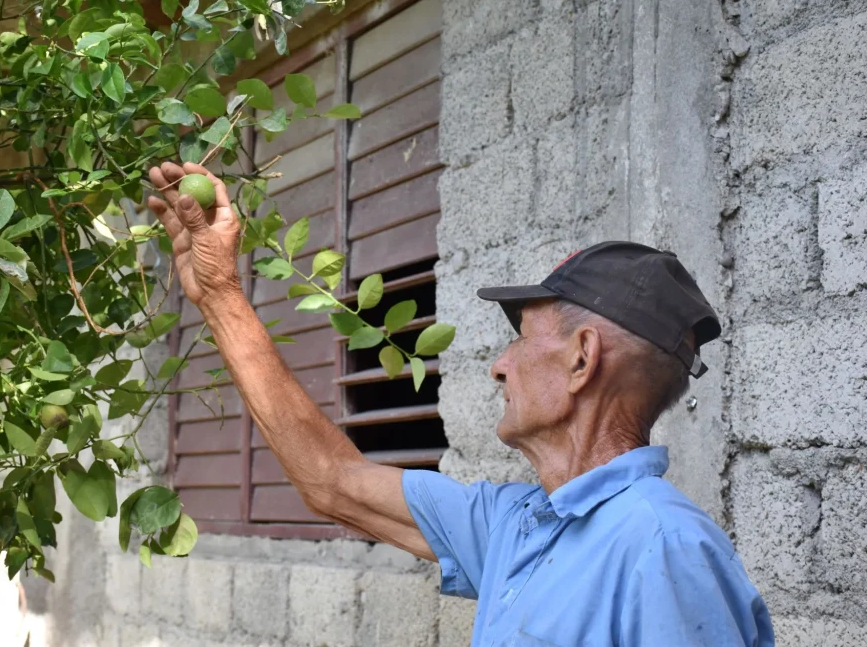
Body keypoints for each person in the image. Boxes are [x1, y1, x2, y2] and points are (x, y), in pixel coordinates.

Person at [146, 161, 776, 647]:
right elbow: (331, 481)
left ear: (583, 359)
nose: (499, 365)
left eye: (521, 339)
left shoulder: (664, 548)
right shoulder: (517, 524)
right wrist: (220, 294)